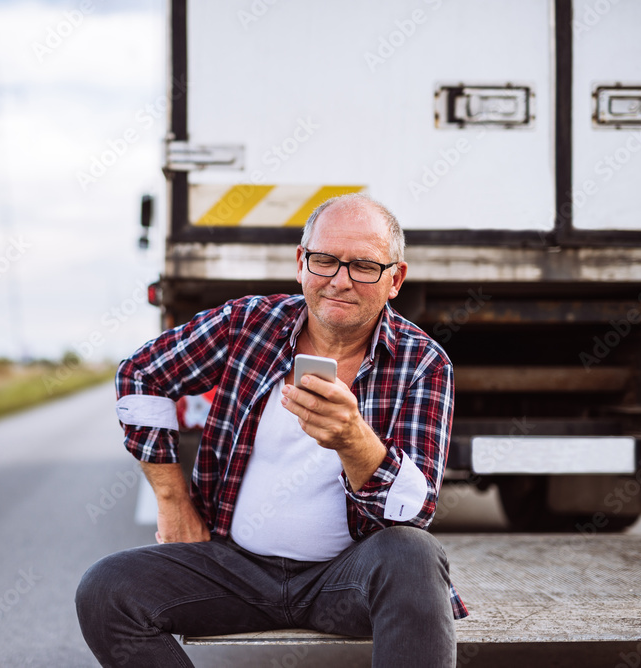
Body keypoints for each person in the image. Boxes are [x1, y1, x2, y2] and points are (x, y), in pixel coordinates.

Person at [76, 192, 467, 668]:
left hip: (343, 581)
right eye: (325, 261)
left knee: (415, 555)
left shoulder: (423, 362)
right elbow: (140, 374)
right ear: (302, 263)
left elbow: (415, 508)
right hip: (233, 570)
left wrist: (353, 439)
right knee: (106, 590)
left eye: (364, 266)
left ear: (394, 280)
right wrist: (174, 502)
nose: (340, 281)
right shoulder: (248, 323)